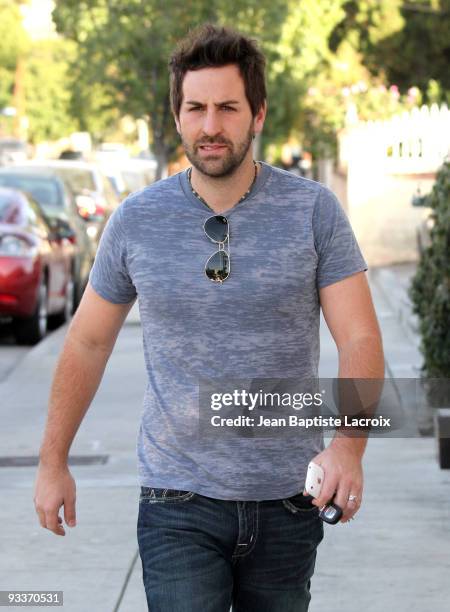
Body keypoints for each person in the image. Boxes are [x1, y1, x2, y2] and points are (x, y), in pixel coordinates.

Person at [33, 23, 384, 612]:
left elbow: (359, 335)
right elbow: (89, 342)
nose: (210, 125)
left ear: (259, 115)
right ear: (177, 116)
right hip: (177, 501)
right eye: (195, 108)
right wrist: (53, 461)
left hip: (289, 500)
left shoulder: (313, 211)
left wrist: (348, 448)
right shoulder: (136, 220)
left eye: (227, 107)